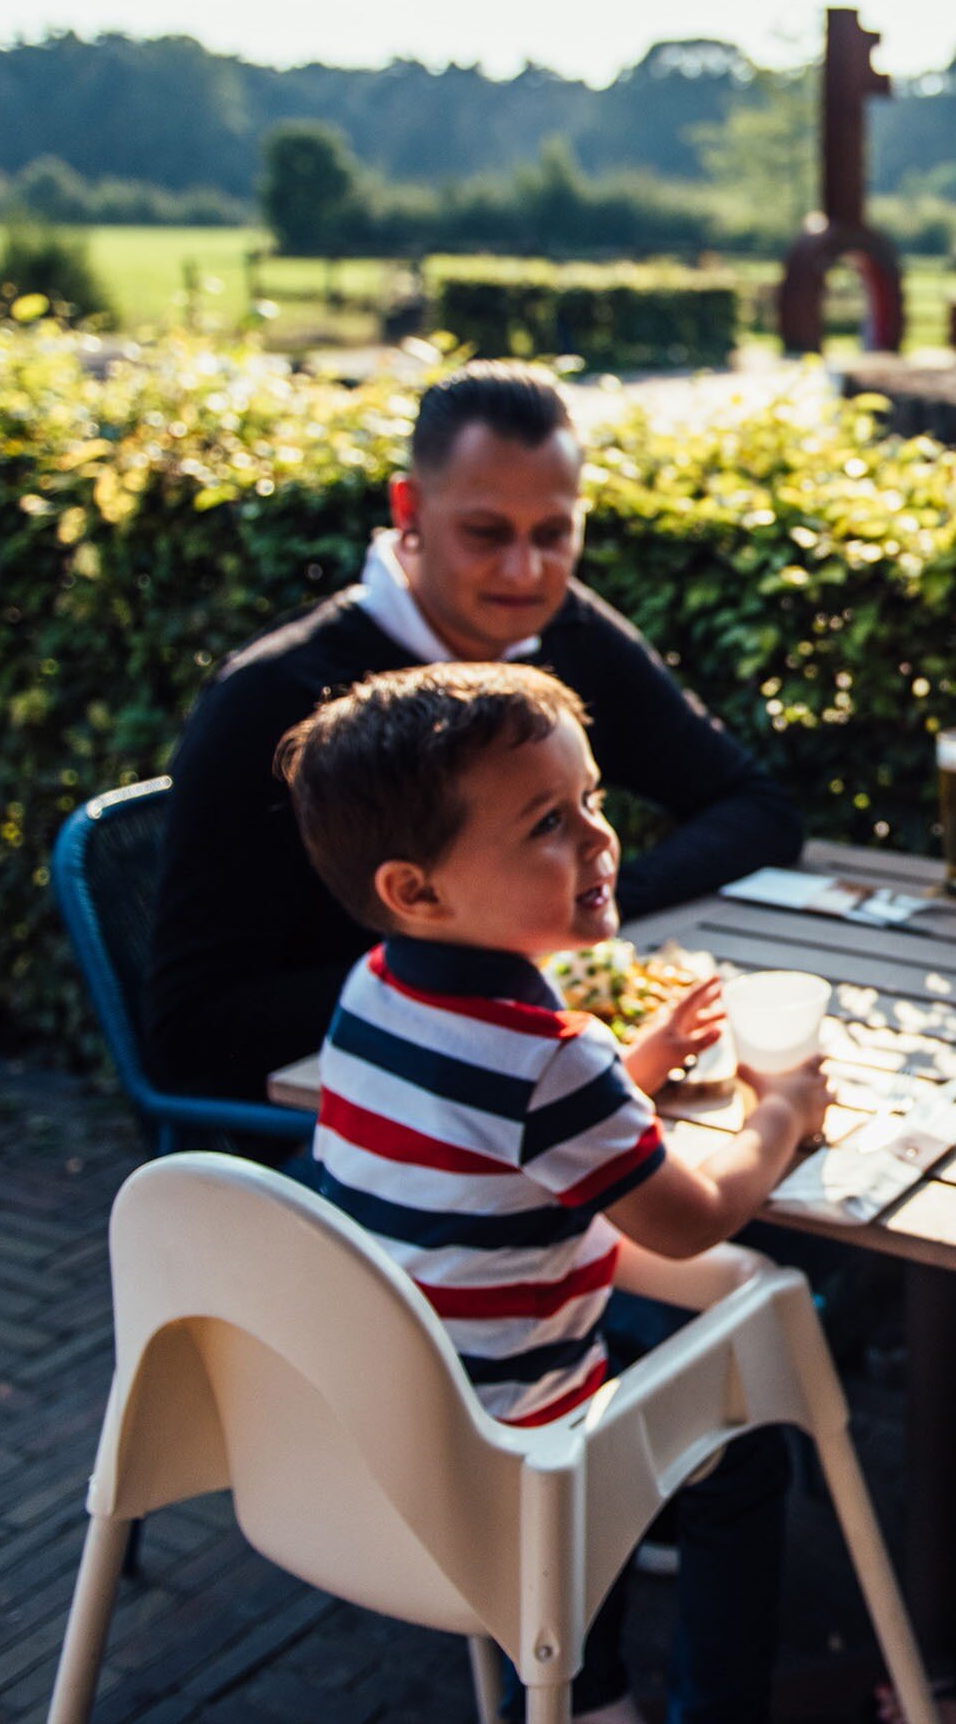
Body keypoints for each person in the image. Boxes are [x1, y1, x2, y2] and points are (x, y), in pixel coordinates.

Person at [278, 661, 827, 1724]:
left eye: (593, 800)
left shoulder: (375, 985)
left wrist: (636, 1059)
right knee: (748, 1439)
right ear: (417, 887)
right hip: (515, 1447)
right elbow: (697, 1210)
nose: (598, 838)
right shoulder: (548, 1061)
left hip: (391, 1406)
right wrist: (781, 1114)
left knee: (639, 1358)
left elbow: (489, 1121)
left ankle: (586, 1682)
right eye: (546, 823)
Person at [147, 362, 803, 1102]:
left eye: (554, 533)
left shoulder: (570, 629)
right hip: (362, 1133)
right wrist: (482, 972)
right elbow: (192, 1033)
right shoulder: (270, 698)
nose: (525, 571)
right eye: (486, 533)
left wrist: (580, 907)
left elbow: (758, 808)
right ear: (409, 510)